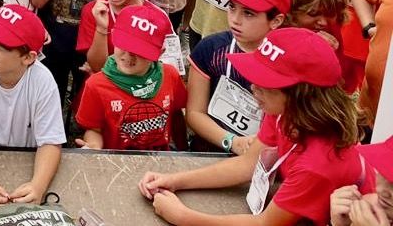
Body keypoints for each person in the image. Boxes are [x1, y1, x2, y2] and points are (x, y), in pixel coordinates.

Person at [140, 28, 373, 225]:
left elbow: (265, 223)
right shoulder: (282, 111)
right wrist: (174, 180)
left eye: (266, 83)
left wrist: (183, 217)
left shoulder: (318, 164)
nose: (253, 87)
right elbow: (248, 163)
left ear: (300, 95)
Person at [0, 4, 64, 210]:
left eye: (4, 45)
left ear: (28, 57)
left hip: (27, 155)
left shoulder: (43, 81)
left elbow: (50, 142)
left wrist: (38, 185)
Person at [186, 0, 288, 153]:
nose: (235, 19)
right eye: (232, 7)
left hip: (264, 155)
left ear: (276, 20)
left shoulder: (287, 61)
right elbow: (194, 113)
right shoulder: (210, 49)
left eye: (248, 13)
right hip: (208, 151)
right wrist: (231, 142)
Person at [76, 4, 187, 151]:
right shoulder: (96, 85)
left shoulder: (170, 75)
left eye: (139, 51)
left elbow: (177, 115)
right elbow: (93, 129)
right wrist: (94, 146)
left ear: (160, 52)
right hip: (116, 164)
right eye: (123, 45)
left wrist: (184, 150)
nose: (128, 56)